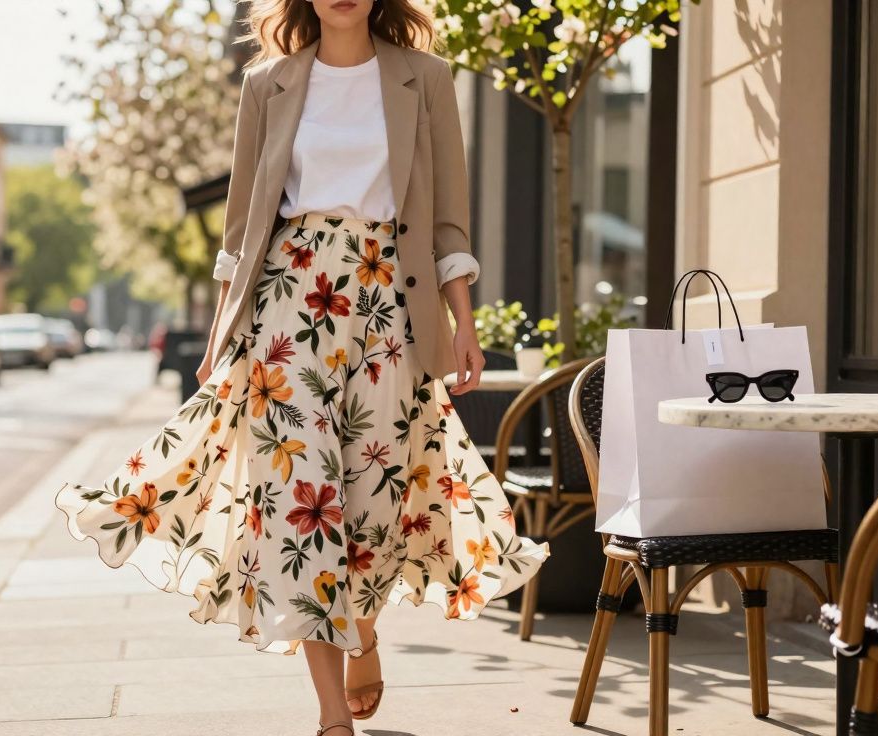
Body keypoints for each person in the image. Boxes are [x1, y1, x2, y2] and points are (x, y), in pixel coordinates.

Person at [55, 3, 547, 734]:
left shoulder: (426, 77)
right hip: (290, 305)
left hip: (388, 309)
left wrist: (462, 319)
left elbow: (447, 217)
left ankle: (365, 630)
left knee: (376, 505)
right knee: (299, 504)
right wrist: (224, 327)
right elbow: (242, 223)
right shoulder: (269, 83)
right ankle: (330, 718)